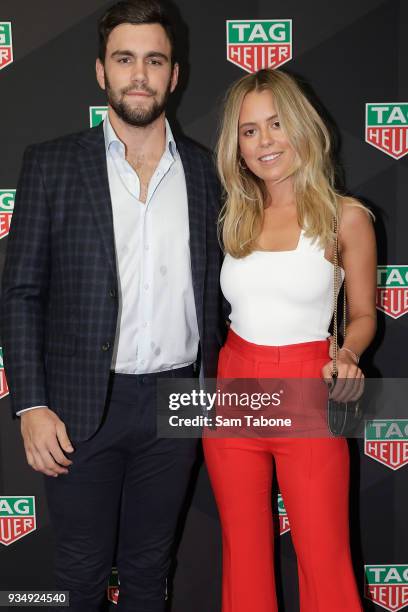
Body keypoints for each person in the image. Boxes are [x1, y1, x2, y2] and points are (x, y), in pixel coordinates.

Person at [1, 1, 224, 610]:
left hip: (177, 401)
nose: (140, 75)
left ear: (174, 74)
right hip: (78, 403)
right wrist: (32, 403)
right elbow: (20, 292)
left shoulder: (209, 174)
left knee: (152, 570)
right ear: (102, 71)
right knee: (80, 575)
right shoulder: (51, 165)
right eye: (125, 59)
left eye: (154, 60)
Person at [203, 68, 377, 612]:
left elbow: (367, 314)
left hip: (309, 387)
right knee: (244, 557)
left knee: (325, 557)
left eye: (275, 124)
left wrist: (348, 352)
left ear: (302, 126)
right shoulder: (235, 216)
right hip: (233, 389)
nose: (264, 142)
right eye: (249, 131)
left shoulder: (346, 218)